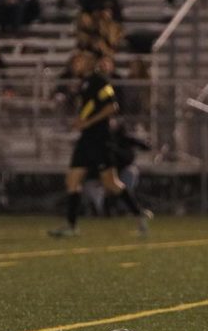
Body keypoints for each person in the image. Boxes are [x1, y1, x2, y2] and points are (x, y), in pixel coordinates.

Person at [49, 51, 151, 238]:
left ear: (88, 62)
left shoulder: (100, 81)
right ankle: (71, 226)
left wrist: (87, 122)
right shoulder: (84, 82)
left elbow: (112, 106)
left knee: (111, 183)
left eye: (79, 60)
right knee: (72, 180)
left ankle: (139, 215)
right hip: (86, 139)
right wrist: (81, 120)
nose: (75, 64)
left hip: (100, 138)